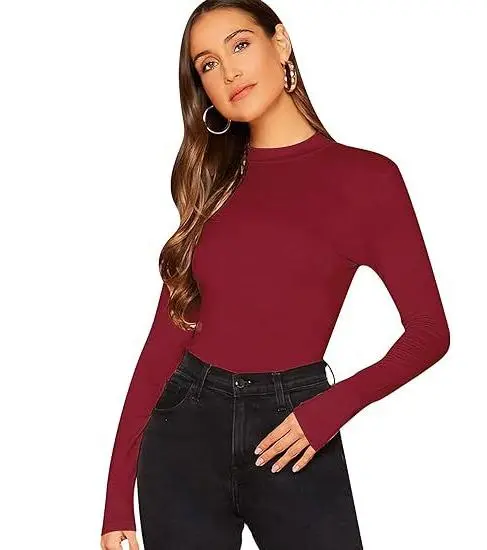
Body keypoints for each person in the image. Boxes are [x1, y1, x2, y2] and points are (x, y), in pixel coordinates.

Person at [100, 1, 451, 549]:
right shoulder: (213, 188)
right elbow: (164, 343)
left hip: (294, 429)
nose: (229, 71)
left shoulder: (368, 179)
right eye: (208, 64)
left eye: (240, 45)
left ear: (280, 43)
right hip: (184, 432)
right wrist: (116, 500)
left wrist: (329, 410)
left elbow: (430, 333)